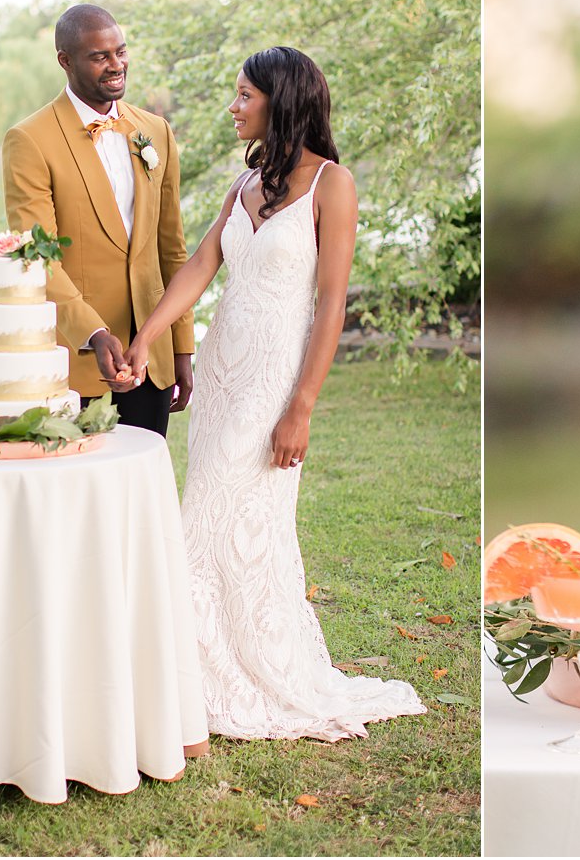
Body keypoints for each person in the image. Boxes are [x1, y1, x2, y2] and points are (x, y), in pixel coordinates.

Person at [121, 45, 425, 740]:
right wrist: (147, 337)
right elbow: (201, 265)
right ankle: (204, 667)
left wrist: (302, 405)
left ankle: (216, 676)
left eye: (243, 95)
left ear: (279, 101)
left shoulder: (333, 185)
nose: (233, 106)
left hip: (273, 383)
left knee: (209, 517)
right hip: (226, 370)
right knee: (226, 523)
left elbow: (332, 302)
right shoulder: (244, 183)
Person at [2, 4, 194, 437]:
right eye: (99, 56)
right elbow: (38, 256)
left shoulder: (156, 131)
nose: (116, 65)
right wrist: (93, 332)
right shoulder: (30, 140)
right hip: (76, 361)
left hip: (153, 362)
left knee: (139, 491)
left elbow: (172, 249)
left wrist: (181, 348)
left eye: (120, 52)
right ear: (65, 61)